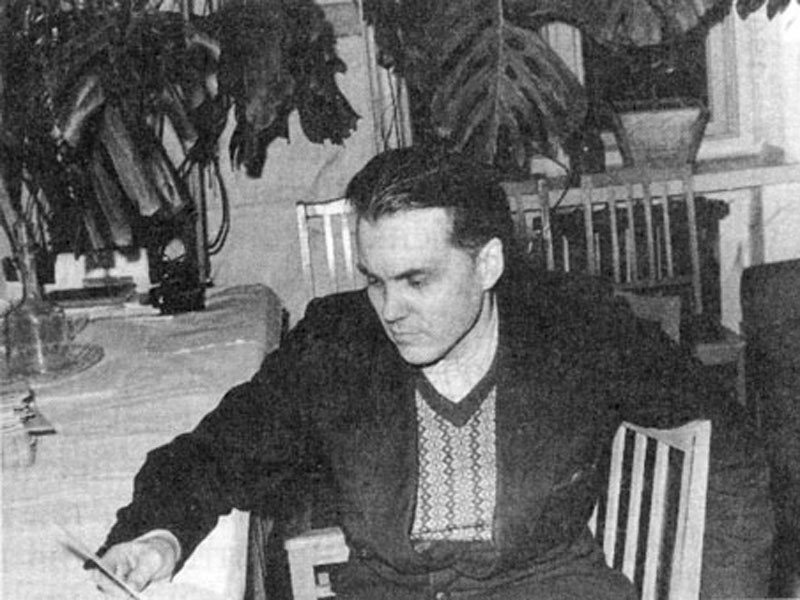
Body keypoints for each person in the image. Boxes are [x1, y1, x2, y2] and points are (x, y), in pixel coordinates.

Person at [95, 147, 717, 599]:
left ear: (488, 264)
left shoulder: (572, 331)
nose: (390, 310)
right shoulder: (339, 343)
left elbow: (726, 435)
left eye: (418, 280)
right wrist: (159, 536)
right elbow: (215, 453)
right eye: (375, 281)